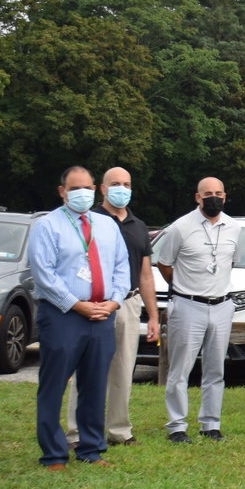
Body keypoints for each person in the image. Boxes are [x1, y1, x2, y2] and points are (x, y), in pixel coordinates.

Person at [28, 166, 131, 470]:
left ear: (96, 189)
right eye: (75, 188)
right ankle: (53, 453)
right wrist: (75, 304)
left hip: (102, 315)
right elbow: (43, 274)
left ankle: (91, 449)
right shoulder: (48, 226)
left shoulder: (107, 225)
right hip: (63, 315)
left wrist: (114, 301)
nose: (82, 194)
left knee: (95, 383)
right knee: (54, 384)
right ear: (62, 192)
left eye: (87, 187)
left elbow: (122, 266)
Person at [65, 167, 158, 448]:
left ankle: (119, 430)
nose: (122, 188)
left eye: (127, 184)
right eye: (115, 183)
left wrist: (152, 315)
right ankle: (76, 432)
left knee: (123, 369)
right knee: (87, 369)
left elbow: (145, 274)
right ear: (102, 189)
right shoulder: (89, 221)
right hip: (95, 305)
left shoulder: (138, 226)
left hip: (128, 304)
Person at [157, 177, 241, 443]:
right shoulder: (179, 228)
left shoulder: (234, 227)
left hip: (221, 305)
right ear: (197, 197)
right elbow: (164, 264)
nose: (213, 197)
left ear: (225, 196)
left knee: (216, 369)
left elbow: (230, 262)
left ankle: (210, 424)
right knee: (180, 369)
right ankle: (177, 426)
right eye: (208, 193)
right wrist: (184, 286)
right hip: (188, 305)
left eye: (218, 193)